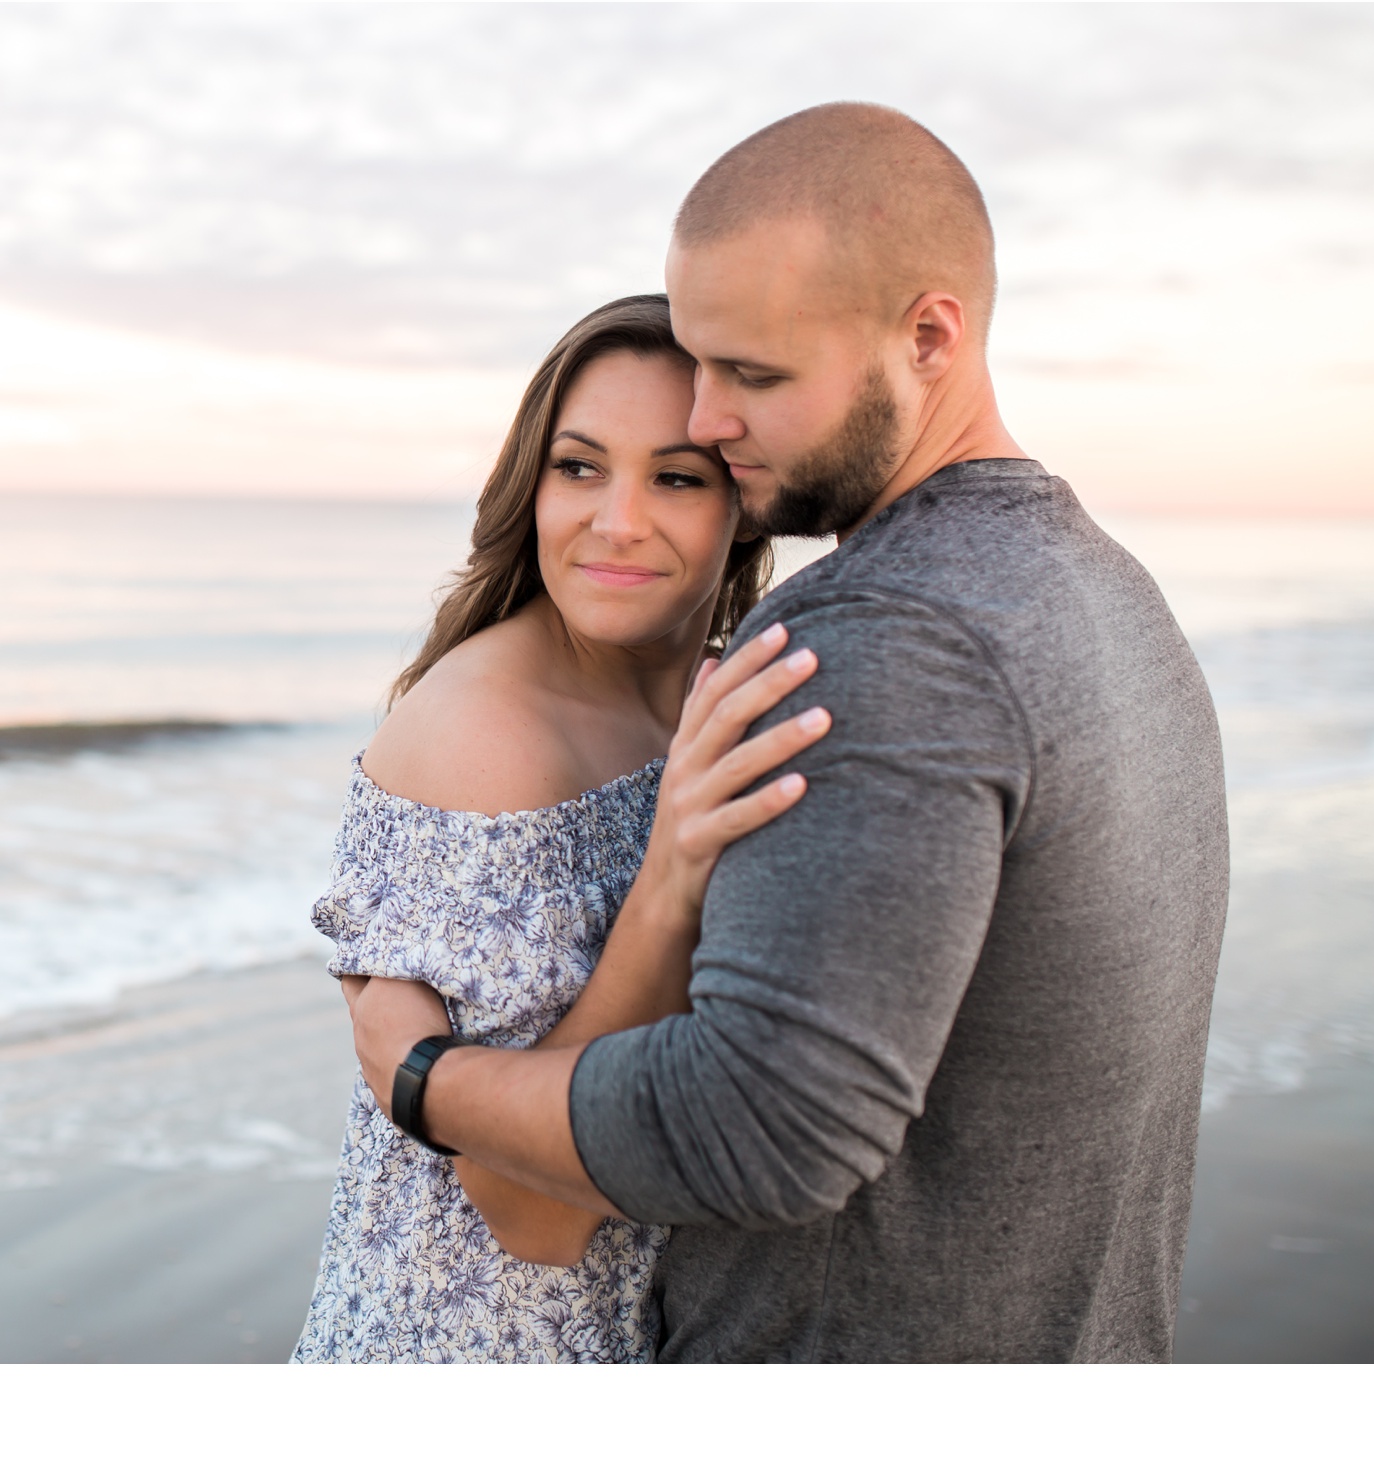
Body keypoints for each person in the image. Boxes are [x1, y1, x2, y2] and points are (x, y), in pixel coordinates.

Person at [345, 102, 1230, 1362]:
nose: (706, 416)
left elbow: (766, 1126)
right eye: (701, 361)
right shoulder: (1103, 586)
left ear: (929, 336)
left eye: (752, 377)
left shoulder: (881, 637)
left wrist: (426, 1079)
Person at [290, 294, 834, 1362]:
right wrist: (670, 874)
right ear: (527, 484)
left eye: (675, 477)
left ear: (742, 506)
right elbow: (531, 1212)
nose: (616, 520)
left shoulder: (707, 692)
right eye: (577, 466)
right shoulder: (484, 736)